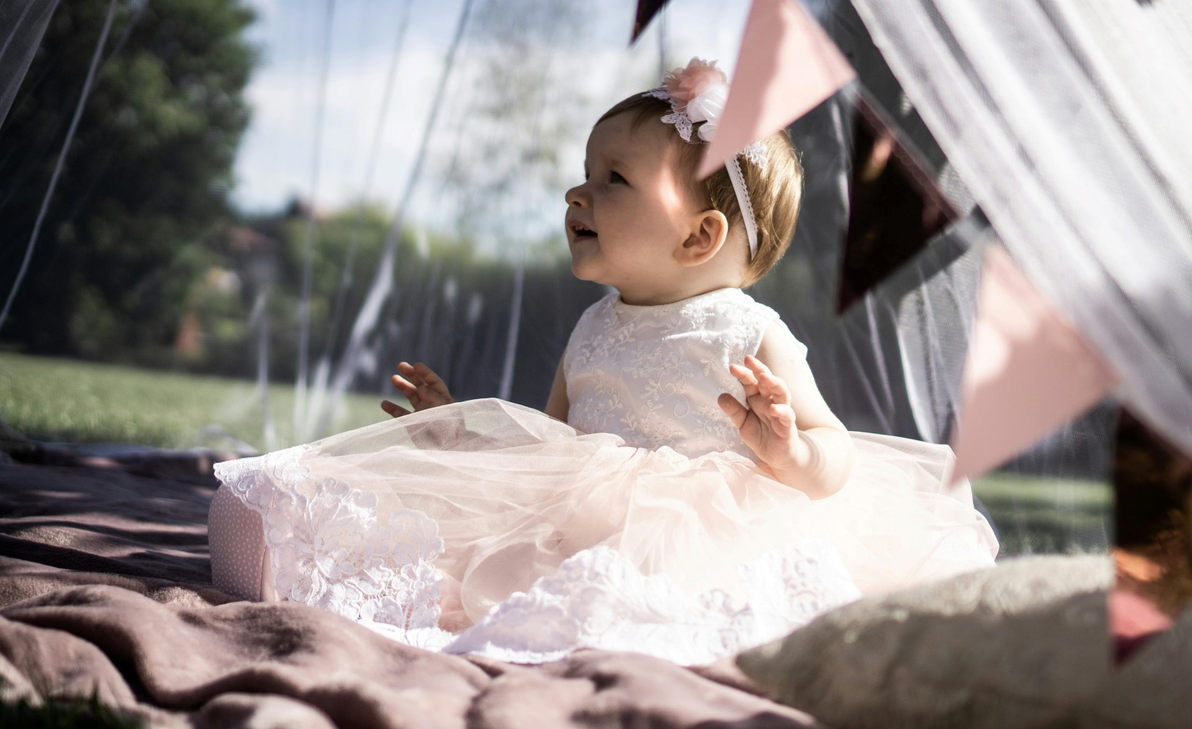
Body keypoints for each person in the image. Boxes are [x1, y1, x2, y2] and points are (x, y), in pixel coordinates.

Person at [208, 59, 997, 665]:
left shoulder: (751, 333)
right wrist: (458, 435)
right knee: (256, 513)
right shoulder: (592, 328)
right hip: (579, 527)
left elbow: (835, 460)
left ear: (700, 237)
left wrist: (790, 448)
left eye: (612, 179)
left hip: (714, 537)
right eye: (586, 173)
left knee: (669, 612)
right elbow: (548, 452)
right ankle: (285, 555)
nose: (576, 195)